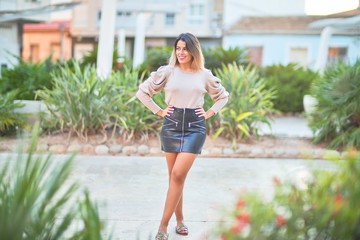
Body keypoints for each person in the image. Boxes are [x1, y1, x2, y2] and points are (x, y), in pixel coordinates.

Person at [136, 32, 229, 240]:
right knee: (175, 180)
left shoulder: (204, 75)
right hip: (171, 125)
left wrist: (210, 112)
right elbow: (142, 92)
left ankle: (162, 227)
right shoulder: (168, 72)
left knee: (178, 175)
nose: (181, 52)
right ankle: (180, 221)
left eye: (185, 49)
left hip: (195, 128)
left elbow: (223, 96)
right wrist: (159, 111)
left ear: (193, 51)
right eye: (178, 48)